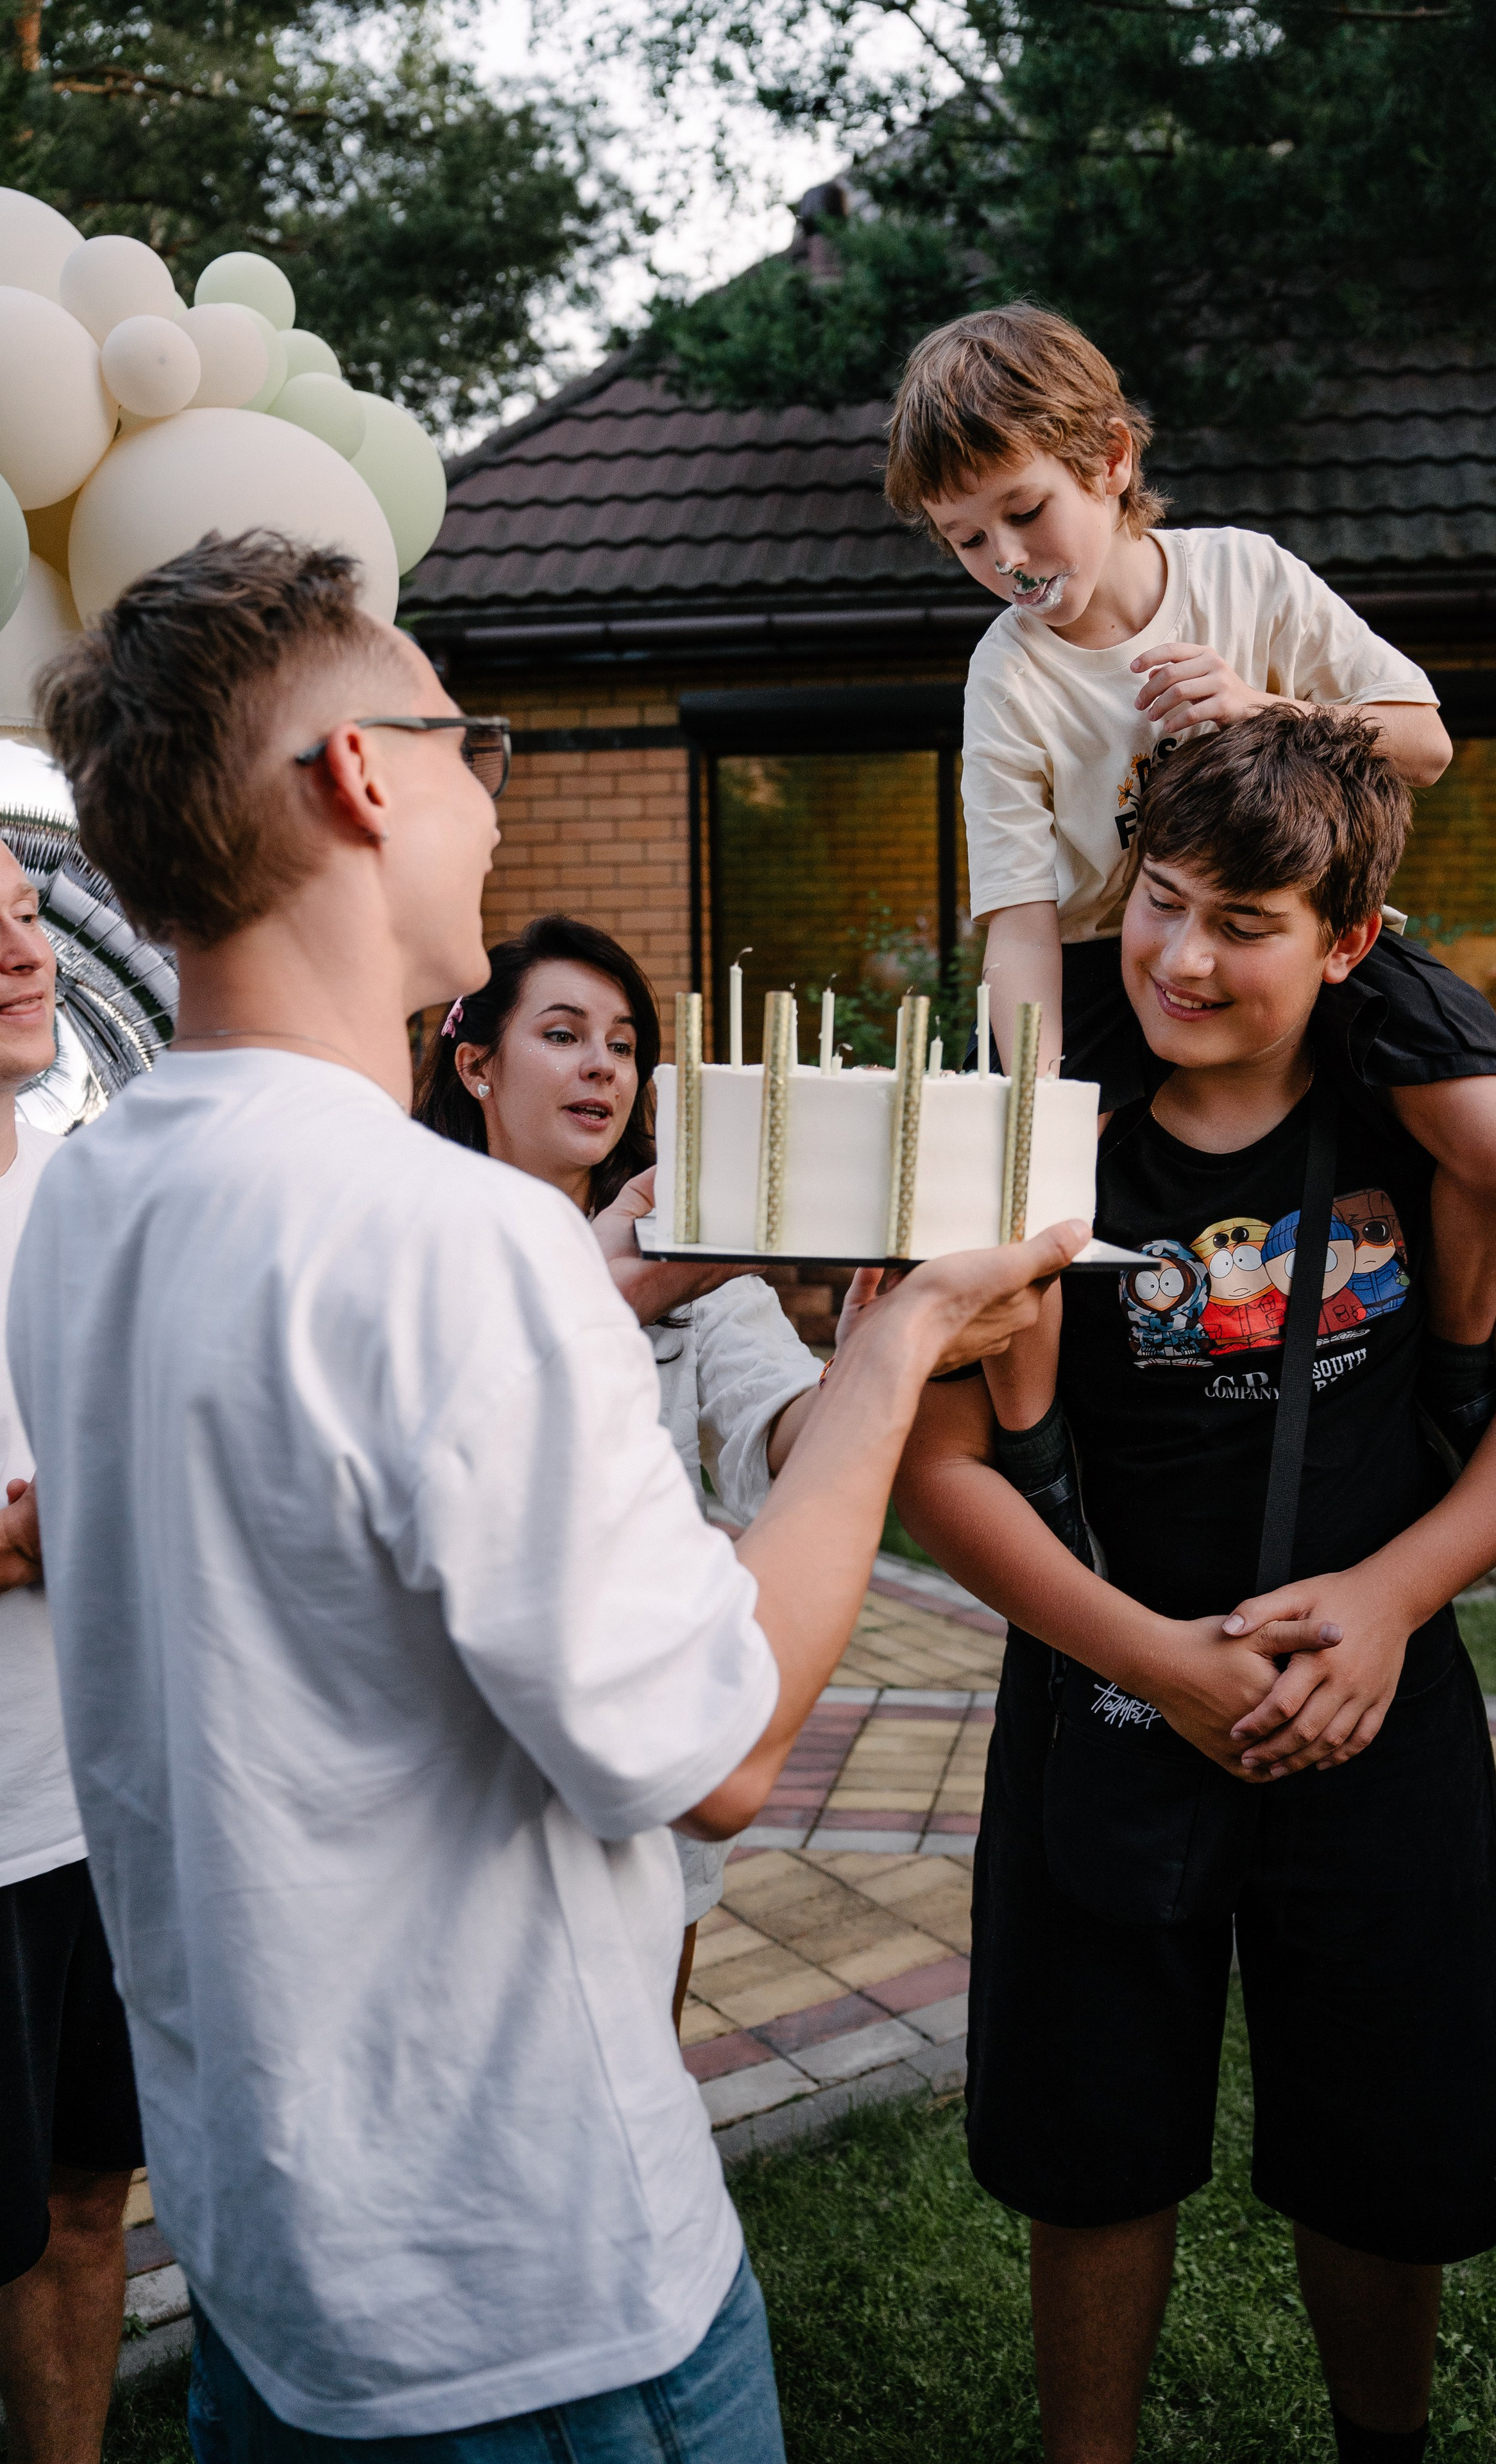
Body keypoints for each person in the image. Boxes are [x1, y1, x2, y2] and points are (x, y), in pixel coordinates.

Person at [15, 528, 1085, 2464]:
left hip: (276, 2266)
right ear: (360, 779)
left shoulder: (96, 1194)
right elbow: (718, 1749)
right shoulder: (454, 1242)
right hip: (533, 2309)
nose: (485, 798)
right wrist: (898, 1342)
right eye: (462, 742)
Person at [892, 708, 1496, 2464]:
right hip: (1103, 1690)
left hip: (1375, 1710)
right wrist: (1156, 1659)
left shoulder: (1419, 1120)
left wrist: (1391, 1598)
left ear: (1348, 941)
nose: (1180, 957)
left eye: (1244, 922)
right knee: (1094, 2136)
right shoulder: (1038, 1116)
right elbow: (929, 1464)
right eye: (1161, 900)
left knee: (1389, 2135)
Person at [883, 303, 1496, 1461]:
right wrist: (1032, 1104)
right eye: (966, 539)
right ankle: (1039, 1462)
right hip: (1109, 955)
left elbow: (1426, 742)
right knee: (1020, 1194)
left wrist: (1265, 707)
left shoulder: (1245, 574)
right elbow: (1022, 925)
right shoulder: (1007, 678)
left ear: (1111, 460)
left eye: (1025, 511)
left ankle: (1455, 1373)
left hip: (1297, 929)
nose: (1008, 561)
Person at [414, 910, 830, 2024]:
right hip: (449, 1766)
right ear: (476, 1065)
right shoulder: (408, 1258)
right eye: (563, 1033)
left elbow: (783, 1429)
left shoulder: (694, 1262)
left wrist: (887, 1357)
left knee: (637, 2068)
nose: (604, 1064)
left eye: (625, 1043)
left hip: (642, 1760)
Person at [0, 840, 145, 2464]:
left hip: (93, 1812)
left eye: (29, 916)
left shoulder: (94, 1197)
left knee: (85, 2197)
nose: (21, 951)